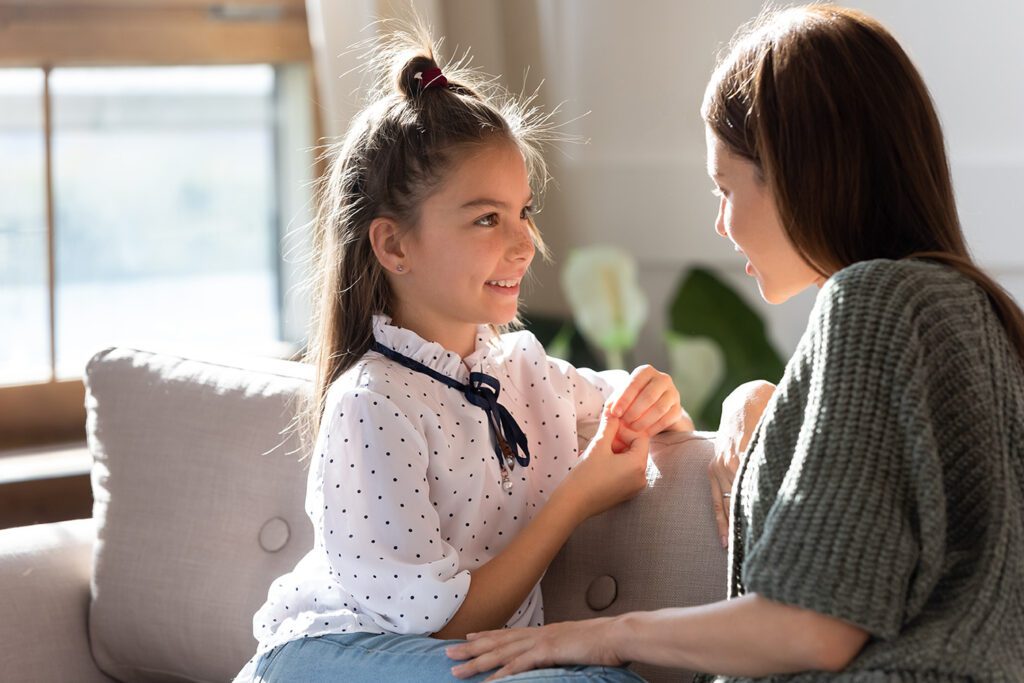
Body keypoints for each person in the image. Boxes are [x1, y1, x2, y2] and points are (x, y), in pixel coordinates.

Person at [447, 5, 1024, 681]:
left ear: (800, 171)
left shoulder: (874, 300)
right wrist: (759, 399)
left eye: (725, 187)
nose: (720, 223)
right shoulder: (971, 313)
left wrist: (600, 636)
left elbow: (812, 627)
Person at [233, 22, 693, 683]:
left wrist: (680, 400)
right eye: (486, 218)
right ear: (394, 247)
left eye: (524, 211)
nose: (524, 242)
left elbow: (634, 401)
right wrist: (577, 494)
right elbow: (440, 624)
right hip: (325, 660)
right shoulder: (373, 403)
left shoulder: (524, 371)